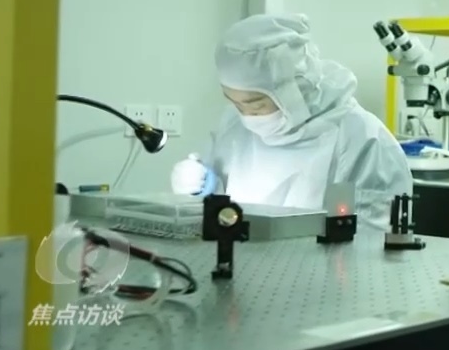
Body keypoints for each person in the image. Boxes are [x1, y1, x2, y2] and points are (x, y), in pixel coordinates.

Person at [171, 13, 413, 231]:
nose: (246, 116)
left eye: (256, 104)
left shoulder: (364, 140)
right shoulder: (232, 124)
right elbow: (217, 212)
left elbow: (372, 244)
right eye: (235, 103)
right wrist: (200, 188)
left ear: (294, 91)